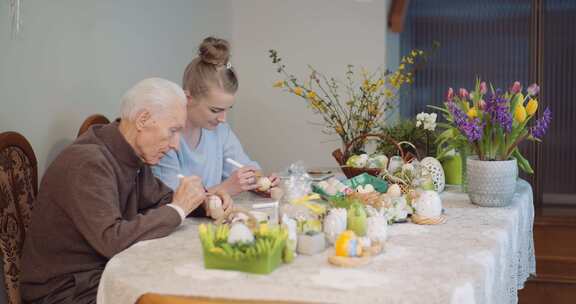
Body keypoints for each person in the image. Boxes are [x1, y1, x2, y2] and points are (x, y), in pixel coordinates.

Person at [20, 78, 232, 304]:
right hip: (66, 291)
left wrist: (204, 202)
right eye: (172, 131)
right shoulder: (88, 163)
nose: (175, 144)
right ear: (143, 120)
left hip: (102, 274)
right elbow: (112, 240)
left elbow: (160, 198)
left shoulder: (130, 153)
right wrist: (179, 209)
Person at [152, 37, 278, 196]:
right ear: (188, 98)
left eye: (227, 109)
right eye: (215, 110)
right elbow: (170, 202)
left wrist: (259, 181)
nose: (223, 119)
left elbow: (244, 168)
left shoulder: (220, 131)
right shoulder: (165, 140)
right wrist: (225, 189)